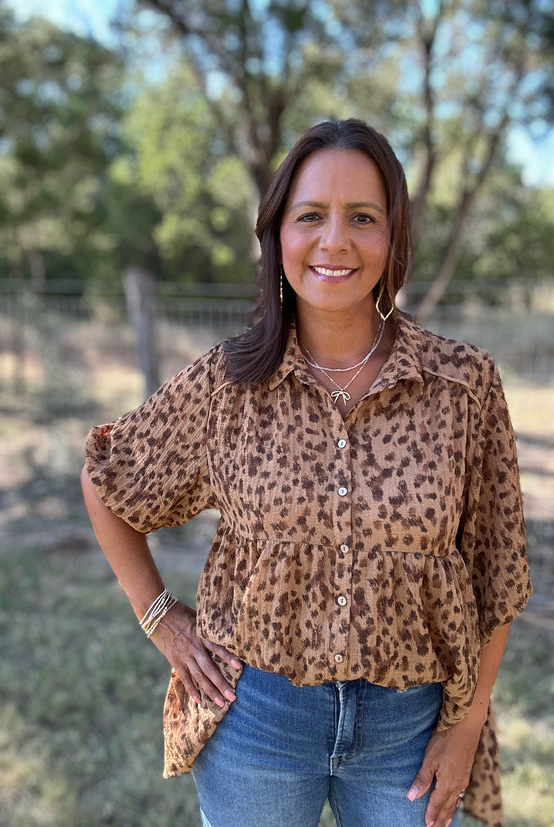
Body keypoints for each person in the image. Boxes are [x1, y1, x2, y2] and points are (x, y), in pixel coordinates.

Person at [81, 119, 531, 827]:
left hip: (408, 731)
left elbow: (496, 571)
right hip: (255, 716)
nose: (335, 241)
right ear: (277, 235)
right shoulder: (228, 383)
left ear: (394, 236)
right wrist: (162, 619)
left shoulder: (464, 384)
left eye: (363, 217)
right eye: (311, 216)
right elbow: (107, 481)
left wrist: (466, 725)